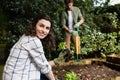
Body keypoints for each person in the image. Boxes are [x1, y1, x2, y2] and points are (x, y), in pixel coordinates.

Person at [2, 13, 66, 80]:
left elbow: (41, 64)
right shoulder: (34, 41)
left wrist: (57, 61)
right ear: (34, 25)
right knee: (47, 77)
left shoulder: (26, 36)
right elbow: (45, 68)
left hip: (11, 76)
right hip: (17, 77)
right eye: (41, 26)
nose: (44, 30)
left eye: (47, 28)